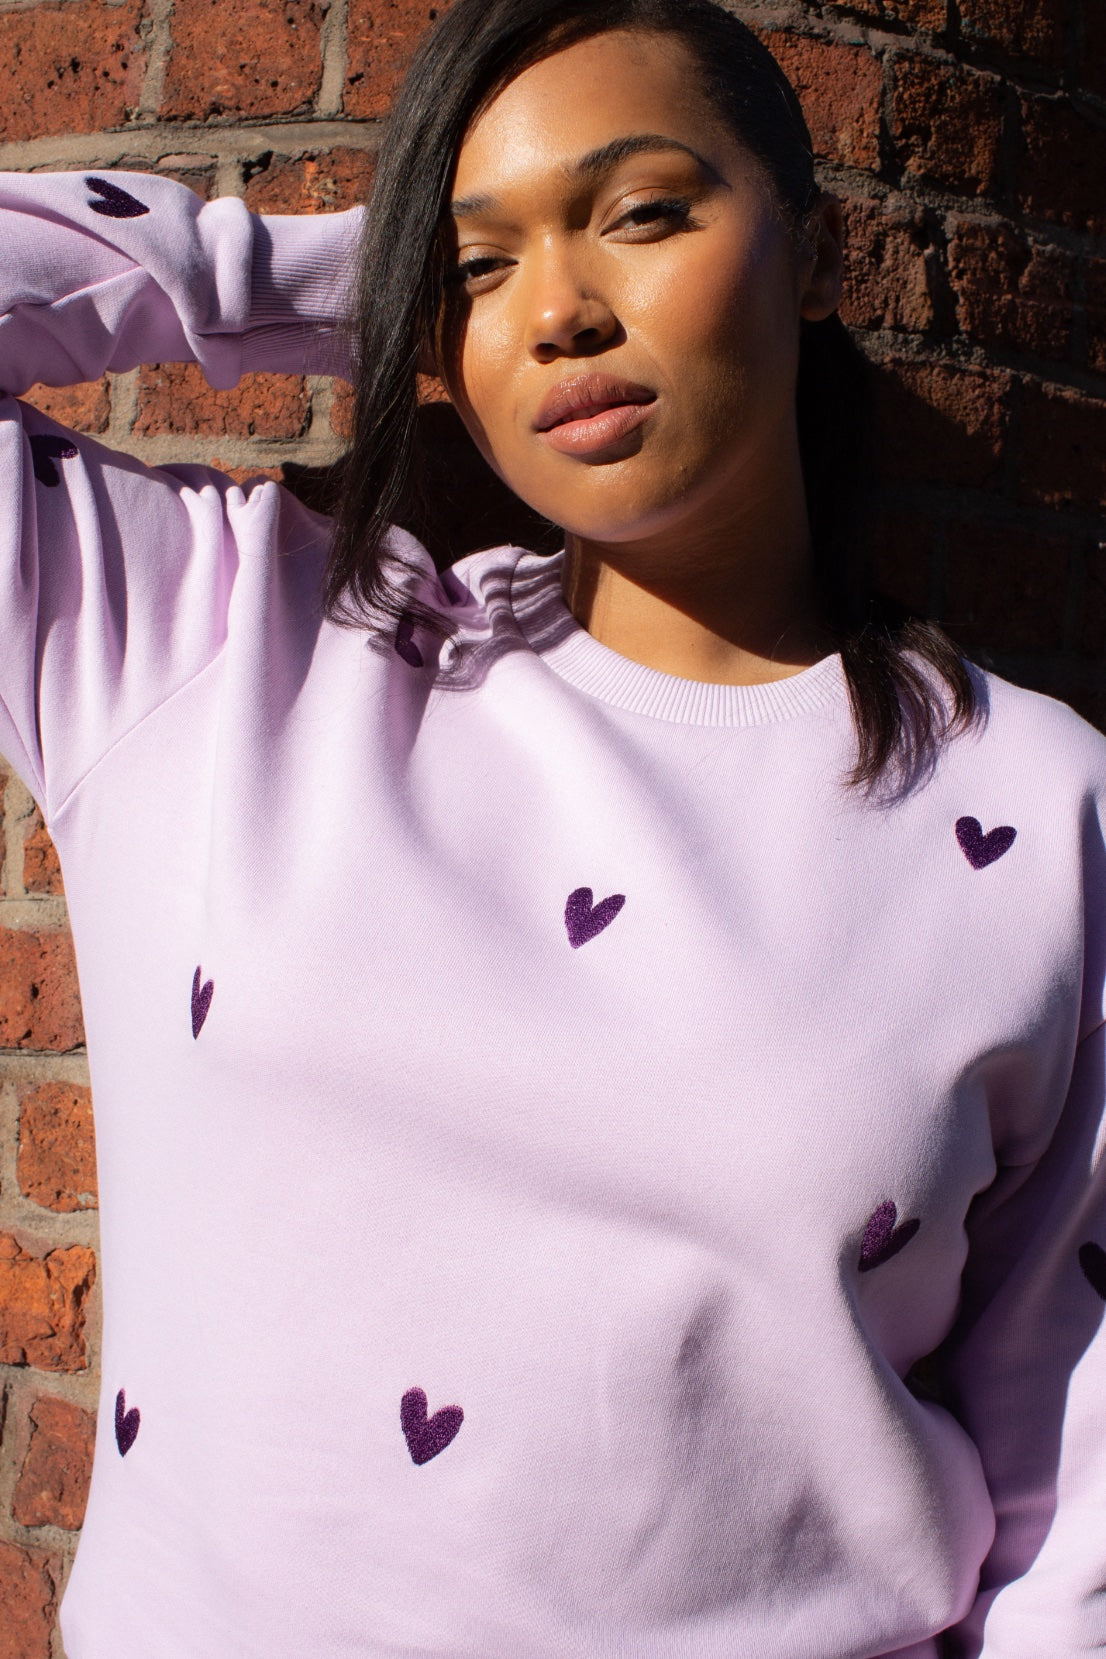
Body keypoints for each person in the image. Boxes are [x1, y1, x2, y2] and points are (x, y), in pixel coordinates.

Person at [1, 0, 1103, 1654]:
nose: (563, 311)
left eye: (642, 214)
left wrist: (478, 267)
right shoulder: (218, 648)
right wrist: (358, 284)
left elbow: (1073, 1507)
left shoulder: (1037, 807)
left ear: (810, 256)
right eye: (480, 266)